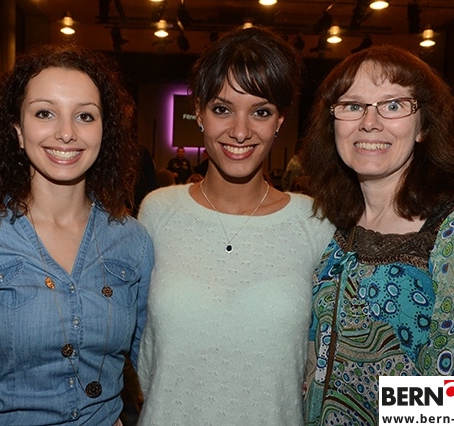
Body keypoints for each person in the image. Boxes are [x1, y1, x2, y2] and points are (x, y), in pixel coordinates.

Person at [0, 43, 153, 425]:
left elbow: (151, 367)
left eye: (85, 116)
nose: (66, 133)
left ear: (104, 132)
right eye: (45, 113)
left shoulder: (133, 242)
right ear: (18, 132)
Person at [136, 27, 334, 425]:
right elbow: (133, 338)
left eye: (260, 112)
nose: (240, 131)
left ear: (279, 120)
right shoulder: (157, 212)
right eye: (223, 109)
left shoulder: (314, 222)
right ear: (199, 113)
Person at [300, 44, 454, 425]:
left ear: (423, 126)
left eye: (393, 105)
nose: (369, 122)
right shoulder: (332, 225)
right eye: (352, 105)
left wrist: (364, 404)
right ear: (333, 123)